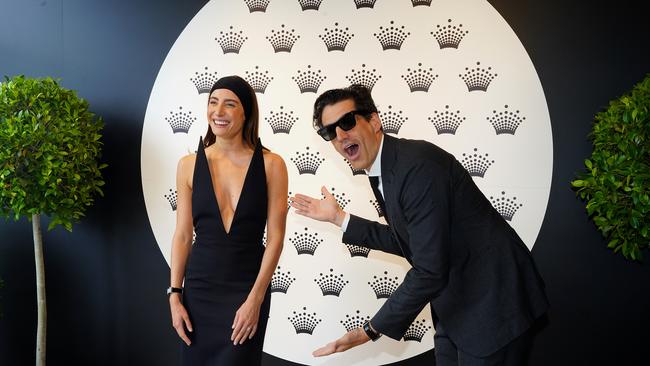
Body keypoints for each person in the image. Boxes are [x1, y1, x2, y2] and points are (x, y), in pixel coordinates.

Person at [290, 84, 549, 365]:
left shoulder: (416, 167)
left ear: (374, 121)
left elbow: (429, 269)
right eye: (330, 131)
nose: (340, 135)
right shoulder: (385, 170)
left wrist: (370, 330)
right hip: (457, 307)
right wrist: (340, 219)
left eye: (347, 122)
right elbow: (412, 242)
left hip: (493, 303)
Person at [168, 76, 288, 365]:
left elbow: (275, 238)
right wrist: (174, 295)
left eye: (229, 104)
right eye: (213, 102)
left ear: (246, 112)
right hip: (199, 292)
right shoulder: (188, 165)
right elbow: (183, 235)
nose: (218, 112)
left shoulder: (273, 165)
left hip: (248, 288)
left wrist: (255, 299)